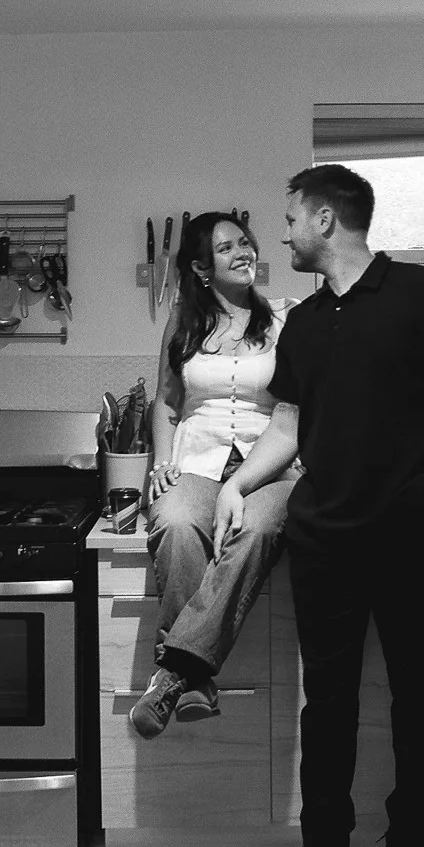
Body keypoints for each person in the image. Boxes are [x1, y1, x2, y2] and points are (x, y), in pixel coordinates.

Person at [214, 164, 424, 847]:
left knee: (414, 692)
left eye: (292, 217)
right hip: (325, 538)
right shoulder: (302, 323)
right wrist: (237, 485)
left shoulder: (422, 295)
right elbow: (285, 429)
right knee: (327, 703)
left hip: (408, 534)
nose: (284, 232)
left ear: (327, 219)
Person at [129, 211, 299, 739]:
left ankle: (177, 670)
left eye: (245, 243)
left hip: (268, 464)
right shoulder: (182, 321)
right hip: (195, 459)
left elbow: (295, 410)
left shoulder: (285, 320)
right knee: (177, 523)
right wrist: (161, 463)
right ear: (202, 268)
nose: (243, 252)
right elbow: (166, 402)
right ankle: (195, 679)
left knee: (259, 529)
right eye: (227, 249)